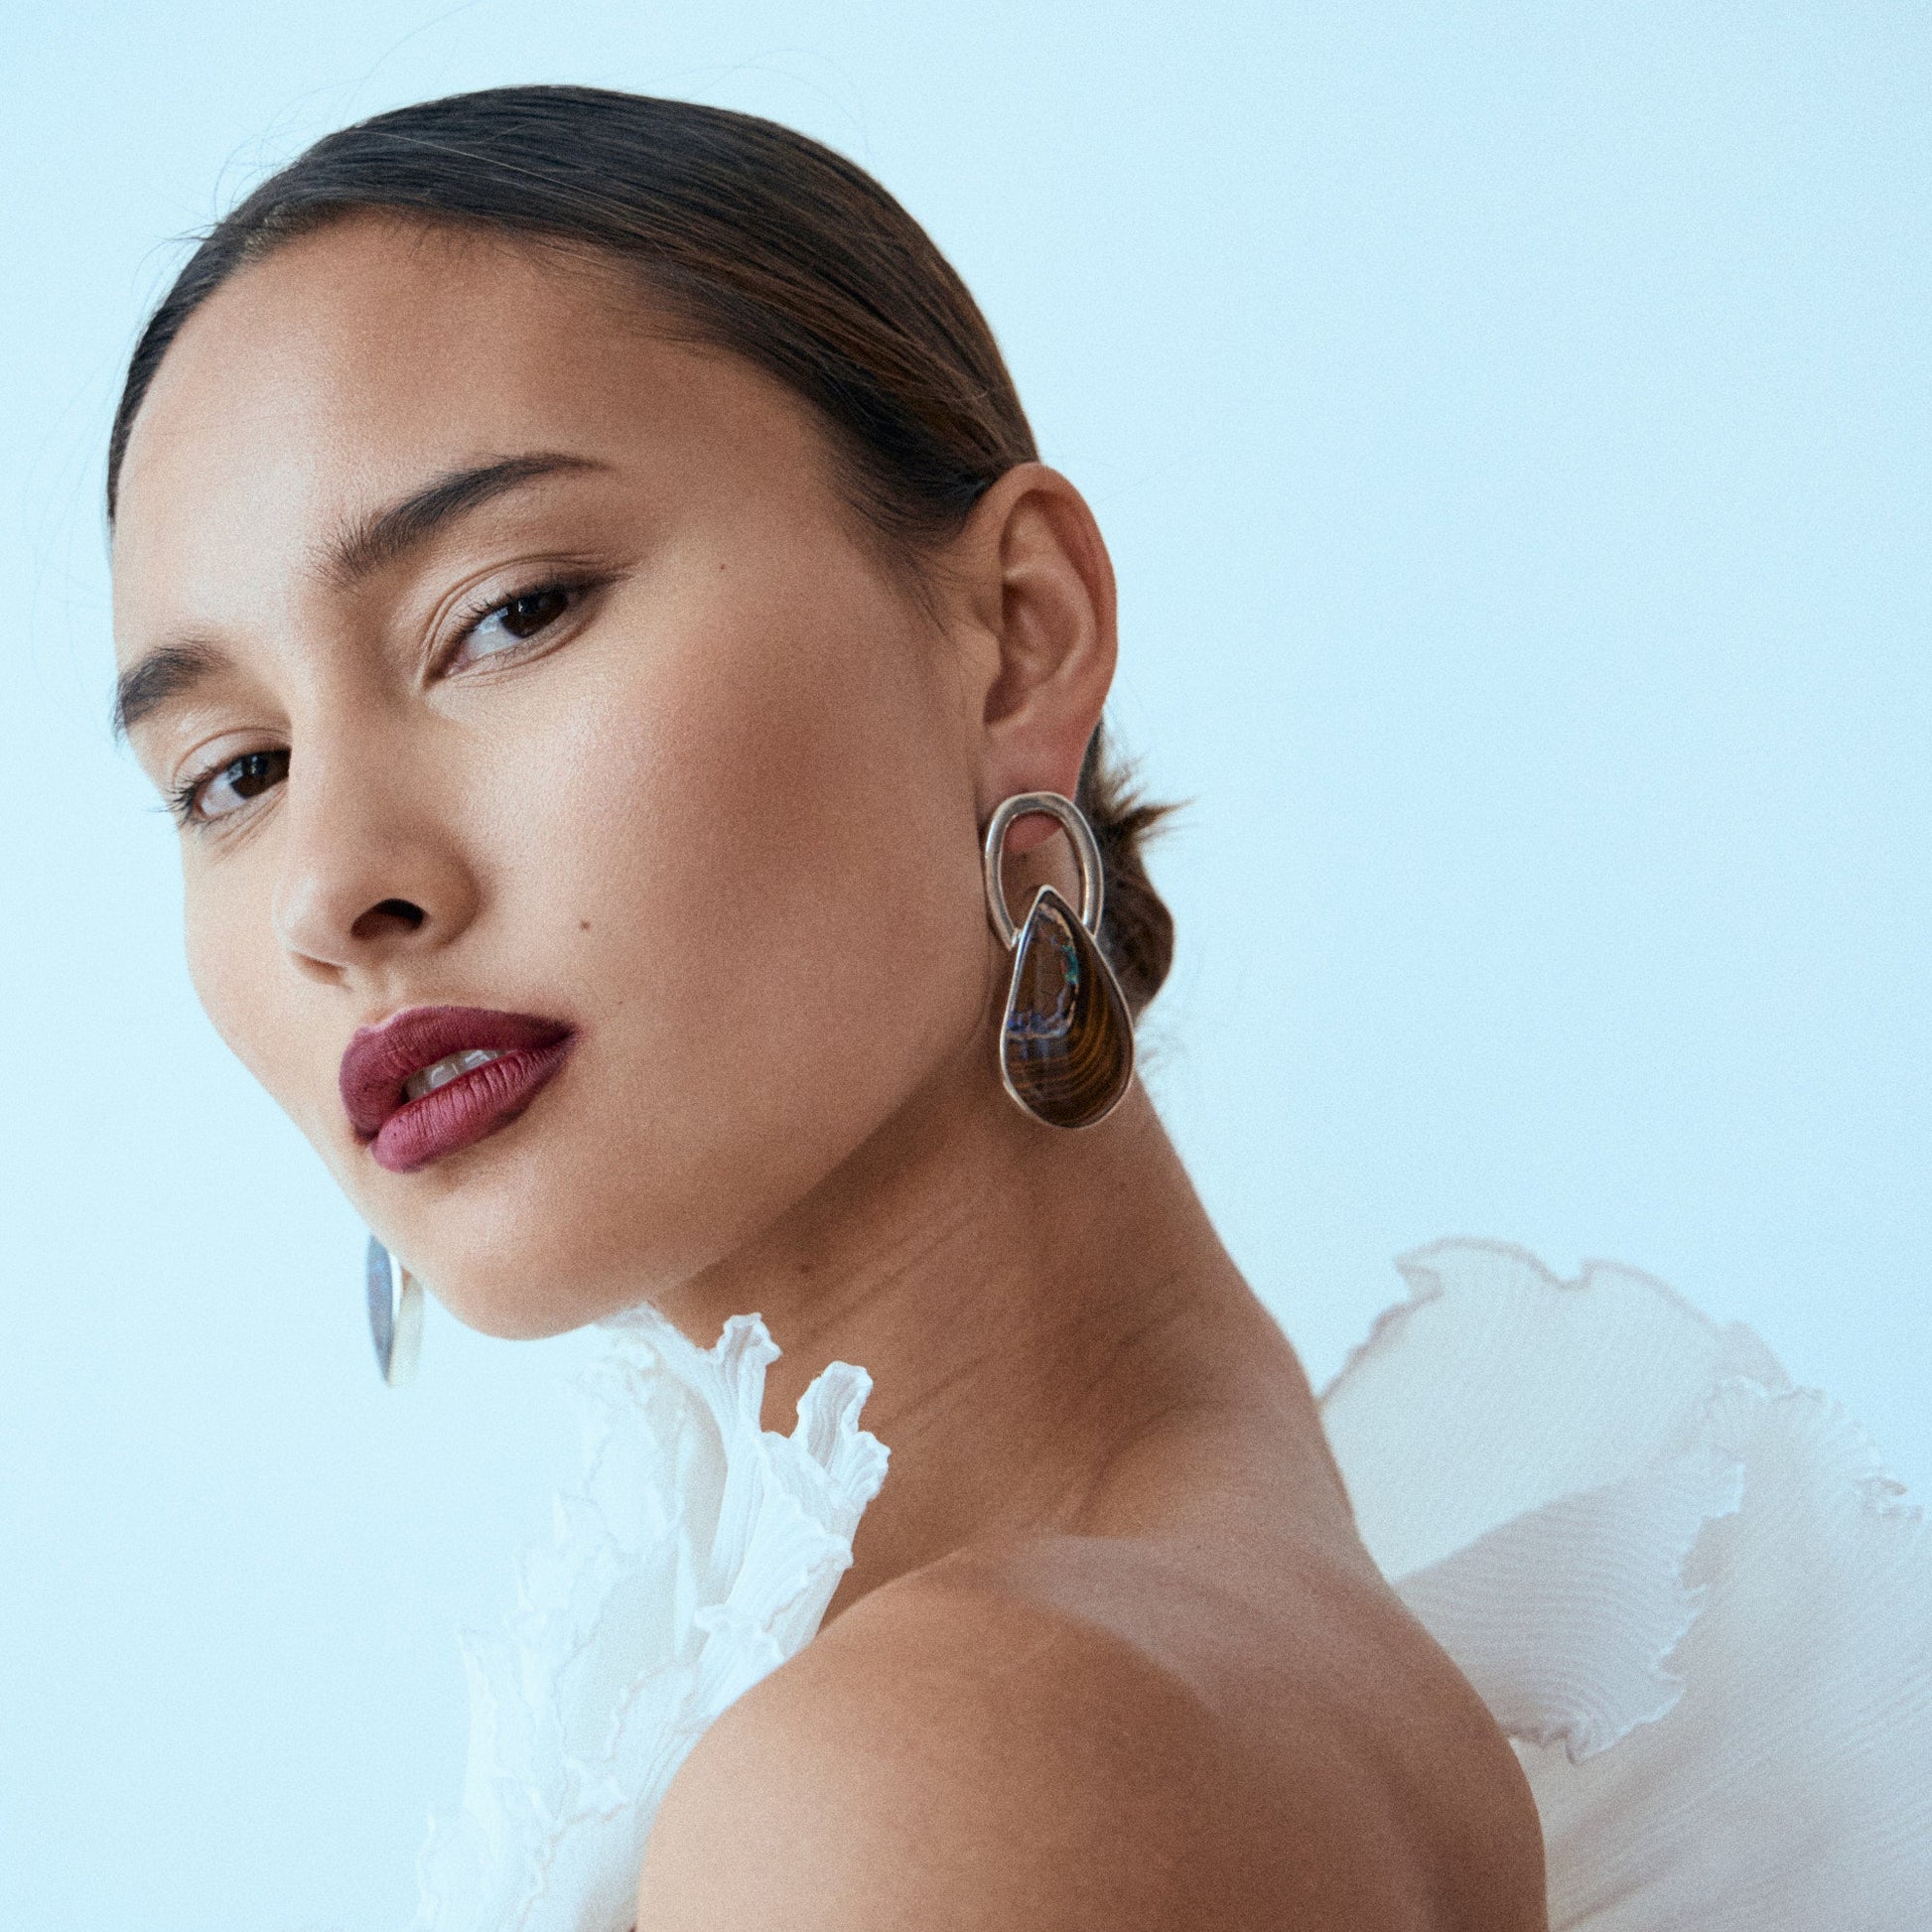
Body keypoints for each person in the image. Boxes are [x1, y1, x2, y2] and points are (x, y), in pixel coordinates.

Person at [106, 87, 1927, 1932]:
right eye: (233, 772)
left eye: (510, 612)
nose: (334, 886)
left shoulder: (940, 1774)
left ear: (1019, 633)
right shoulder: (1154, 1676)